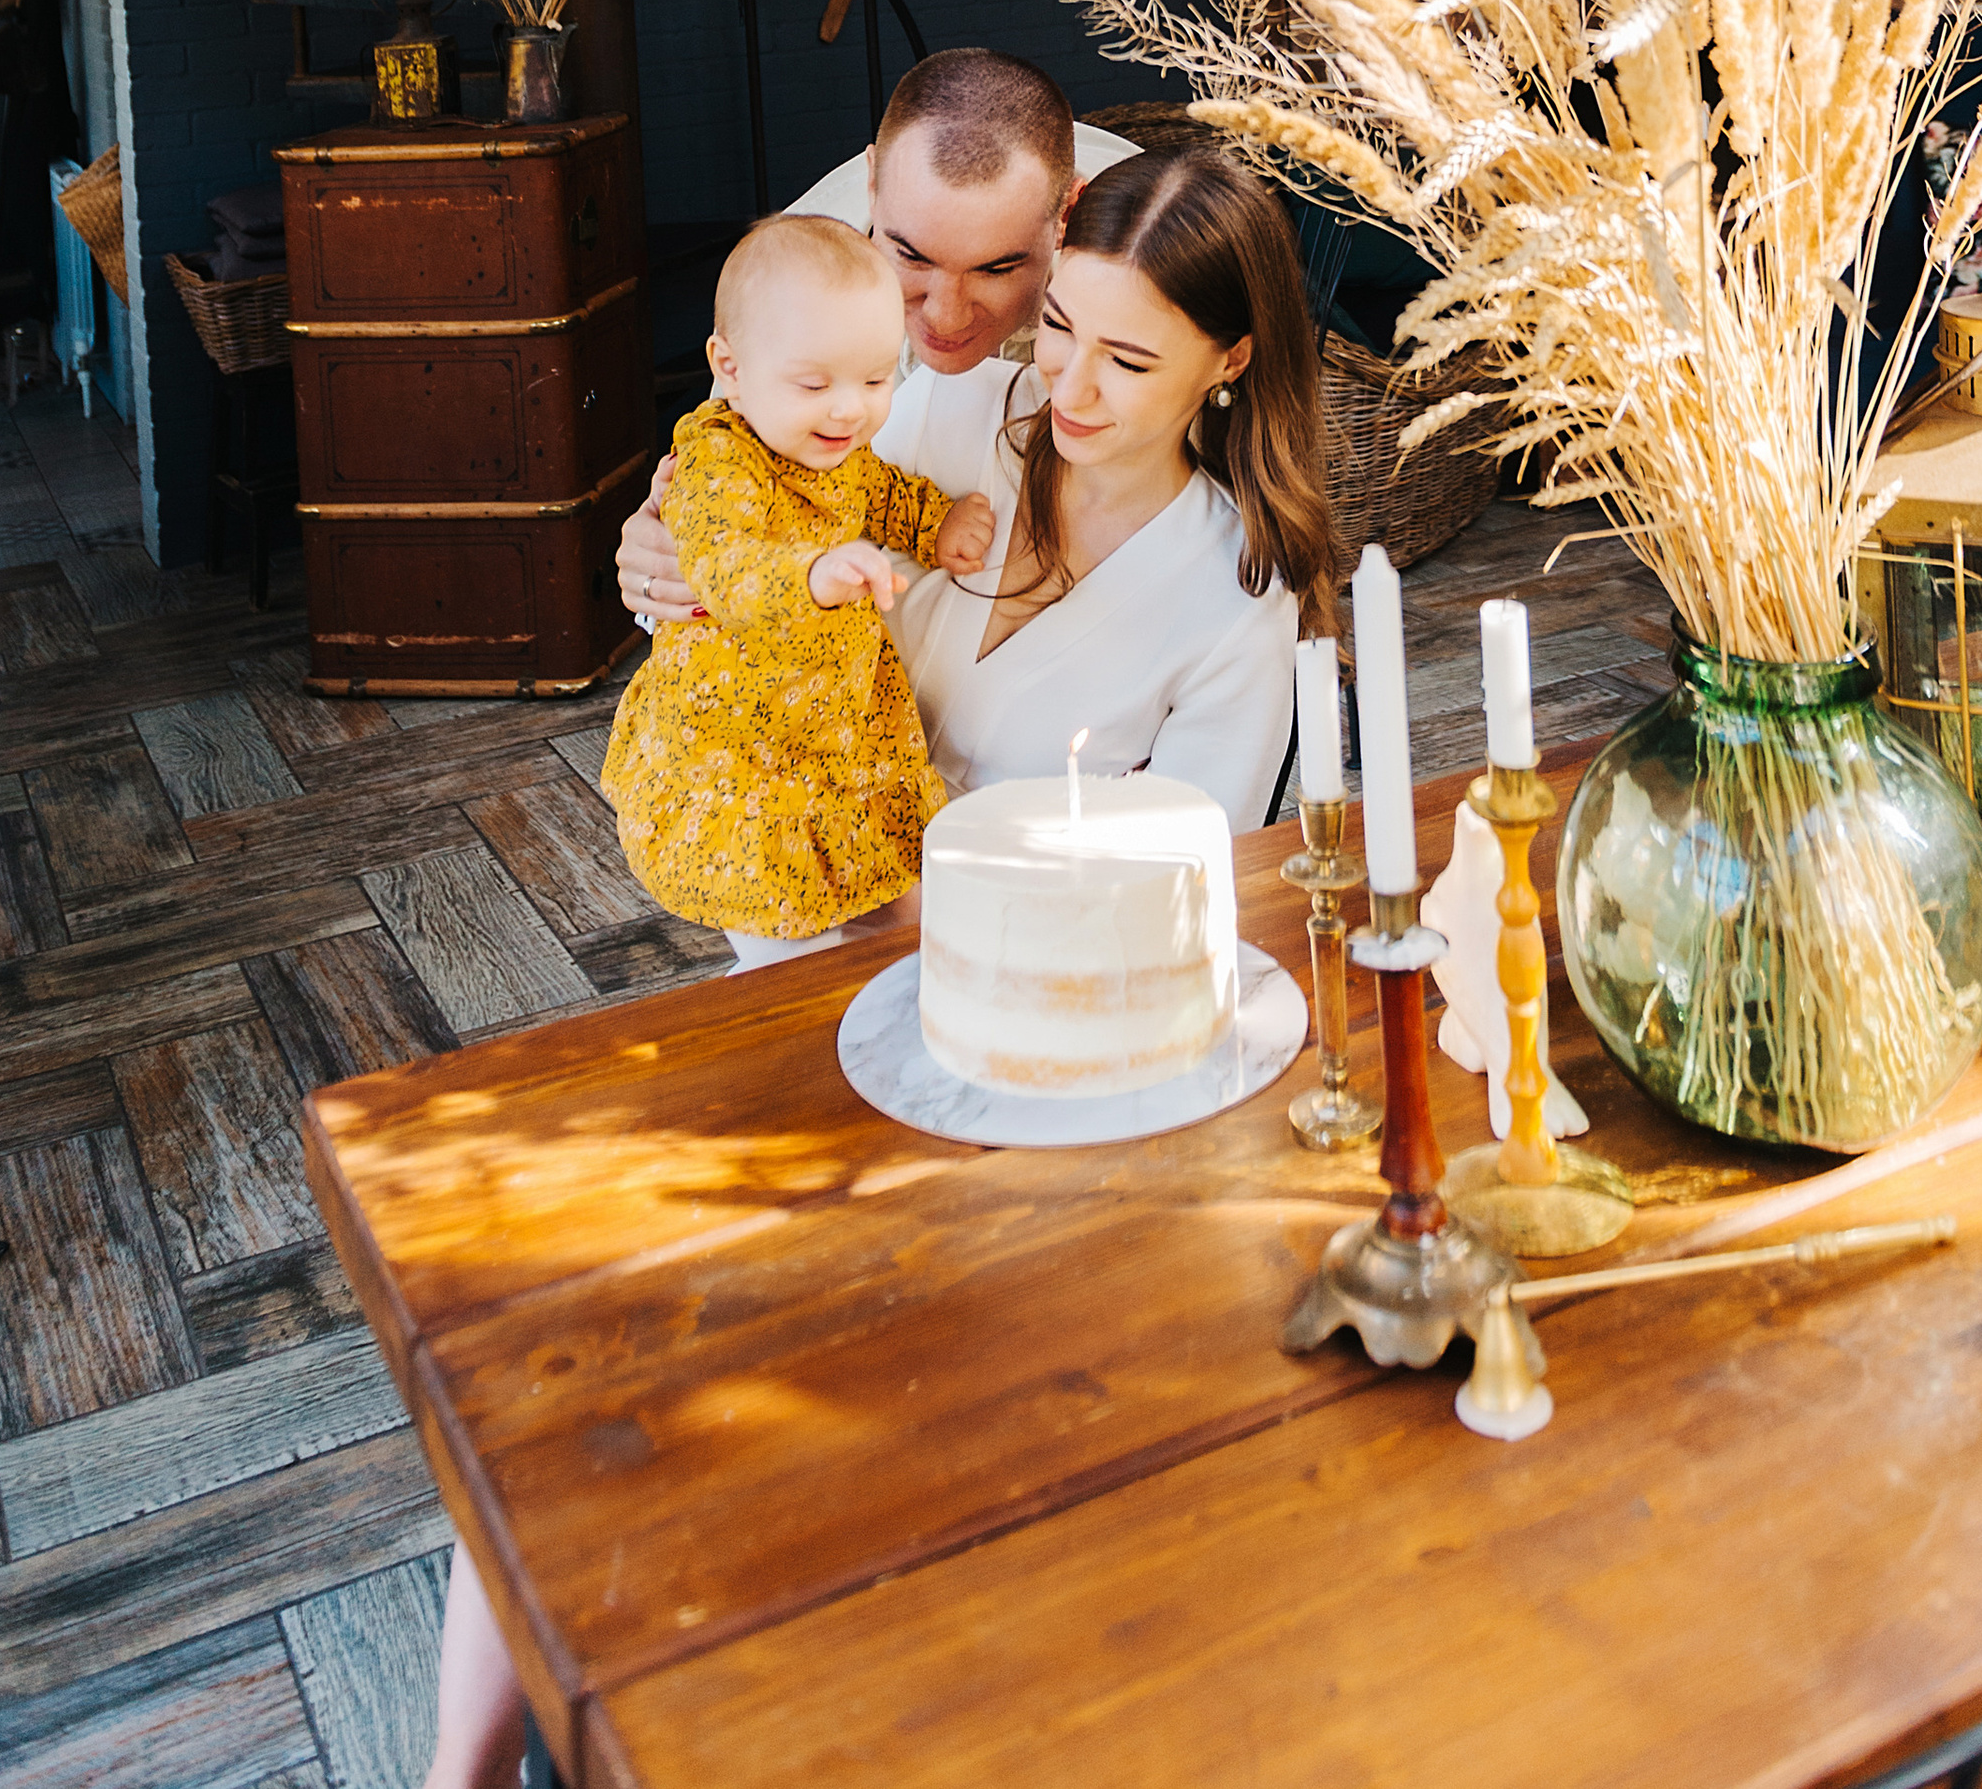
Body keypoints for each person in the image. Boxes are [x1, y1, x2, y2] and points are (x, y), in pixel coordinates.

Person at [423, 142, 1331, 1789]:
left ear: (1232, 359)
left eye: (1128, 359)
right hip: (789, 949)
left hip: (1003, 1055)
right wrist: (658, 556)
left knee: (750, 1401)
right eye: (1058, 328)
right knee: (559, 1360)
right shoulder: (947, 420)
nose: (1064, 380)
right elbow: (751, 454)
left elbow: (1169, 880)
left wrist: (935, 913)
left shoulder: (1231, 594)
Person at [616, 48, 1138, 627]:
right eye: (911, 255)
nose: (944, 317)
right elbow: (713, 501)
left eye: (996, 269)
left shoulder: (1131, 288)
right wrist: (659, 561)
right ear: (871, 184)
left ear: (1068, 211)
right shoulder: (787, 284)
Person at [598, 216, 994, 963]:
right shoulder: (716, 460)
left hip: (842, 722)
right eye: (815, 383)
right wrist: (810, 575)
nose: (850, 408)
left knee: (896, 890)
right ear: (731, 366)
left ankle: (900, 996)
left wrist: (937, 522)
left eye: (877, 379)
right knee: (791, 918)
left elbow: (878, 490)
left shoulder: (832, 442)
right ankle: (795, 1023)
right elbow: (727, 563)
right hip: (747, 734)